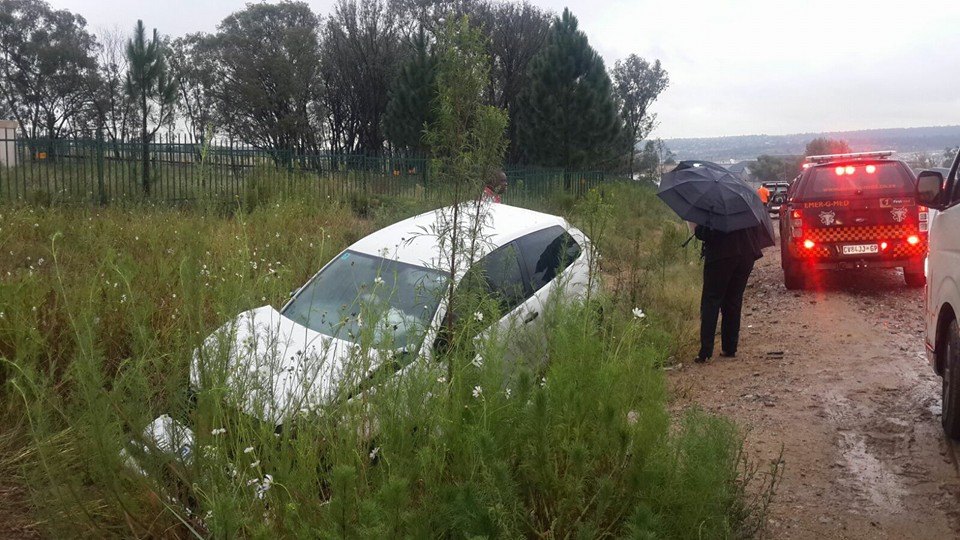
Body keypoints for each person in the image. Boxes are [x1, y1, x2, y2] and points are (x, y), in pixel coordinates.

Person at [693, 224, 763, 363]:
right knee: (734, 300)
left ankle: (706, 351)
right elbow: (756, 229)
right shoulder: (744, 205)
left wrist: (697, 228)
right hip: (746, 254)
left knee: (711, 301)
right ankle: (730, 347)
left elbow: (705, 233)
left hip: (720, 257)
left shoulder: (714, 206)